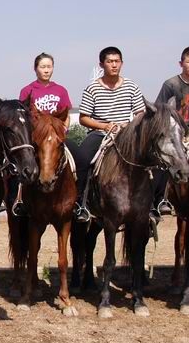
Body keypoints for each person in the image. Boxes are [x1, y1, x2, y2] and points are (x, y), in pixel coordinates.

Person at [72, 46, 145, 222]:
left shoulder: (131, 86)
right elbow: (84, 118)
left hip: (127, 134)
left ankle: (153, 205)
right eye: (110, 61)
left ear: (122, 63)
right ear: (101, 64)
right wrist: (104, 126)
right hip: (99, 134)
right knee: (81, 158)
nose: (114, 65)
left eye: (117, 61)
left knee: (152, 159)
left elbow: (141, 113)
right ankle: (80, 203)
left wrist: (127, 125)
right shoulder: (92, 88)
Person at [10, 53, 72, 215]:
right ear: (35, 68)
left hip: (56, 138)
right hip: (36, 140)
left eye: (49, 66)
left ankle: (79, 202)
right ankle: (18, 199)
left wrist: (63, 131)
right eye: (42, 67)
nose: (46, 70)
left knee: (78, 159)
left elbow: (66, 115)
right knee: (19, 164)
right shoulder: (27, 90)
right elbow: (22, 117)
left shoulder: (61, 90)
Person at [152, 46, 189, 215]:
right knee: (165, 159)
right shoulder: (171, 84)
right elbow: (159, 110)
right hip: (175, 131)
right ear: (181, 63)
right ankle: (161, 199)